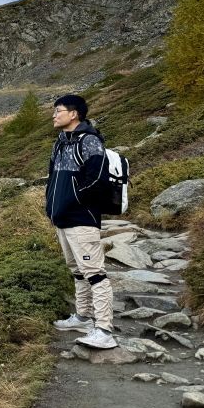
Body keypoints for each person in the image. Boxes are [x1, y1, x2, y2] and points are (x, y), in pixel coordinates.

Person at [45, 94, 116, 349]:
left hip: (81, 218)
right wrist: (52, 206)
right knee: (77, 270)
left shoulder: (89, 142)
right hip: (62, 218)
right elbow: (53, 178)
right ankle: (83, 317)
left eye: (58, 110)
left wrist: (73, 201)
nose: (54, 115)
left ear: (74, 114)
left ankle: (104, 331)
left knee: (94, 274)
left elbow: (97, 181)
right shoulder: (60, 143)